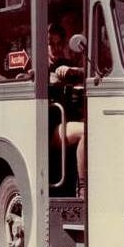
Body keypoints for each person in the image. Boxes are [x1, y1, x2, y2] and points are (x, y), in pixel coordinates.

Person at [47, 23, 87, 198]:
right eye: (51, 44)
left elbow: (87, 73)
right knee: (85, 131)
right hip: (47, 125)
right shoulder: (37, 65)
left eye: (59, 44)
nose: (55, 48)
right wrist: (52, 78)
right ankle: (83, 189)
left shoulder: (64, 63)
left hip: (64, 121)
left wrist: (74, 71)